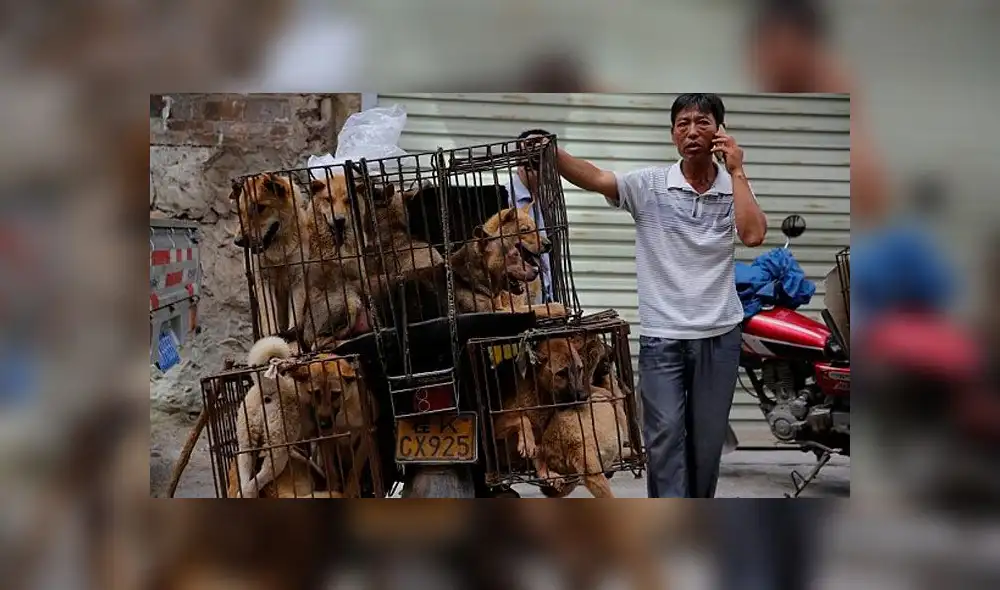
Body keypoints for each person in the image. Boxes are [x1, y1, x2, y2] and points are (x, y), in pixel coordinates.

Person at [553, 93, 768, 498]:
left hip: (719, 336)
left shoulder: (732, 188)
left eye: (702, 122)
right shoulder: (649, 185)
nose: (692, 131)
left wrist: (738, 170)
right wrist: (550, 151)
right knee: (665, 435)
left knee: (706, 444)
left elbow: (754, 234)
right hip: (663, 337)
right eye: (683, 123)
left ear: (719, 131)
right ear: (672, 134)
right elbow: (596, 176)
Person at [507, 128, 555, 304]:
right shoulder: (504, 197)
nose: (540, 168)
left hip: (546, 294)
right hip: (519, 296)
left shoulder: (547, 200)